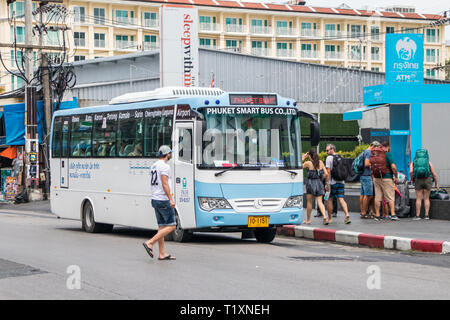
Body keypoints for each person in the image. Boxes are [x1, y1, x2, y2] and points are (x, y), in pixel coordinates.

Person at [143, 145, 177, 261]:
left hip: (155, 198)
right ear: (167, 154)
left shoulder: (154, 165)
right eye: (170, 153)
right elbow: (165, 184)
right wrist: (170, 199)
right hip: (163, 199)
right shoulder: (165, 166)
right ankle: (150, 243)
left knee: (161, 227)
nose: (171, 155)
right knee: (172, 225)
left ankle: (162, 253)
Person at [371, 141, 400, 221]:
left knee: (378, 197)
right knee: (390, 197)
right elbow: (393, 167)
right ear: (388, 147)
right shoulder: (388, 154)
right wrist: (396, 176)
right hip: (387, 178)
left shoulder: (375, 154)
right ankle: (393, 214)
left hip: (376, 178)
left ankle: (377, 215)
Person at [325, 144, 351, 225]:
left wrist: (327, 182)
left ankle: (329, 218)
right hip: (341, 182)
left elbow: (328, 171)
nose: (326, 152)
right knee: (341, 199)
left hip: (332, 182)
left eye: (327, 150)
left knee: (329, 200)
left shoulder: (329, 158)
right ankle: (347, 214)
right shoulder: (341, 157)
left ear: (332, 149)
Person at [302, 148, 329, 225]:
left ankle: (308, 220)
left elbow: (298, 166)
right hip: (319, 183)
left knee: (309, 202)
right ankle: (324, 217)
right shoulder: (320, 162)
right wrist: (321, 178)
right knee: (320, 202)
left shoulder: (308, 163)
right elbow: (326, 174)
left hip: (310, 183)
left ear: (309, 155)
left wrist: (303, 157)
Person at [410, 149, 438, 220]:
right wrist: (436, 184)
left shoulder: (413, 162)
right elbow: (434, 174)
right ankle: (426, 215)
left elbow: (411, 171)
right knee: (426, 198)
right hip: (427, 180)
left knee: (418, 198)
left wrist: (412, 179)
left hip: (418, 180)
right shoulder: (428, 162)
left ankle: (417, 216)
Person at [360, 141, 379, 219]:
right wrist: (374, 164)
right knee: (368, 195)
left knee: (363, 194)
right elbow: (367, 164)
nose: (376, 150)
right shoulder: (368, 152)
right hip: (367, 176)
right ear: (373, 146)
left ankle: (365, 211)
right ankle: (364, 212)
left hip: (362, 175)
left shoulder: (364, 151)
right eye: (376, 148)